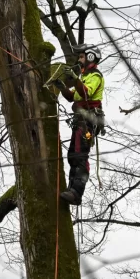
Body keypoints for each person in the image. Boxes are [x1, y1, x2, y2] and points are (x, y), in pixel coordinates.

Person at [56, 44, 104, 205]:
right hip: (80, 120)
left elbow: (86, 93)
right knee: (73, 155)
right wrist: (62, 87)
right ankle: (71, 189)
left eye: (82, 56)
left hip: (88, 120)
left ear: (91, 57)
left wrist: (75, 79)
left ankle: (76, 193)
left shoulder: (95, 76)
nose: (79, 59)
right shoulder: (84, 77)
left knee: (80, 155)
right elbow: (73, 97)